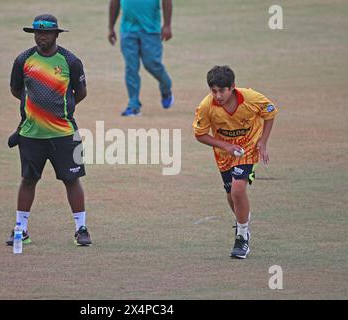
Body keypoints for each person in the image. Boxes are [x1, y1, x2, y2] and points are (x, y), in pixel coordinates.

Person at [6, 14, 92, 247]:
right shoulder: (23, 59)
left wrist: (59, 110)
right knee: (28, 180)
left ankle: (81, 229)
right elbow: (16, 90)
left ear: (56, 34)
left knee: (72, 180)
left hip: (64, 134)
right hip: (31, 134)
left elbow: (80, 93)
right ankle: (21, 229)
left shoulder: (70, 61)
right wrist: (36, 110)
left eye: (45, 32)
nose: (40, 36)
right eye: (37, 32)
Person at [192, 66, 278, 259]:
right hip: (224, 156)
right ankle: (243, 221)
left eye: (222, 90)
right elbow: (200, 135)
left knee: (238, 190)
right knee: (231, 194)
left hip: (248, 149)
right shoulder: (207, 106)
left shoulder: (251, 98)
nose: (218, 95)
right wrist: (225, 146)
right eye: (214, 91)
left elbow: (270, 112)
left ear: (232, 87)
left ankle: (242, 237)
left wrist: (263, 141)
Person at [108, 0, 174, 116]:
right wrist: (111, 27)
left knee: (152, 64)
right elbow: (114, 2)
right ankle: (133, 105)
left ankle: (166, 87)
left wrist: (167, 25)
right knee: (131, 67)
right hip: (128, 31)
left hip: (151, 30)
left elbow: (167, 1)